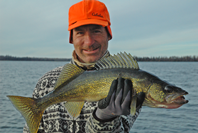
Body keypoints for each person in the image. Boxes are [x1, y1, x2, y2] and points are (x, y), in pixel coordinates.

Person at [23, 0, 145, 132]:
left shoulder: (129, 82)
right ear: (71, 38)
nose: (89, 42)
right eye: (80, 33)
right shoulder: (46, 83)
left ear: (108, 34)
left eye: (96, 31)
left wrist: (104, 118)